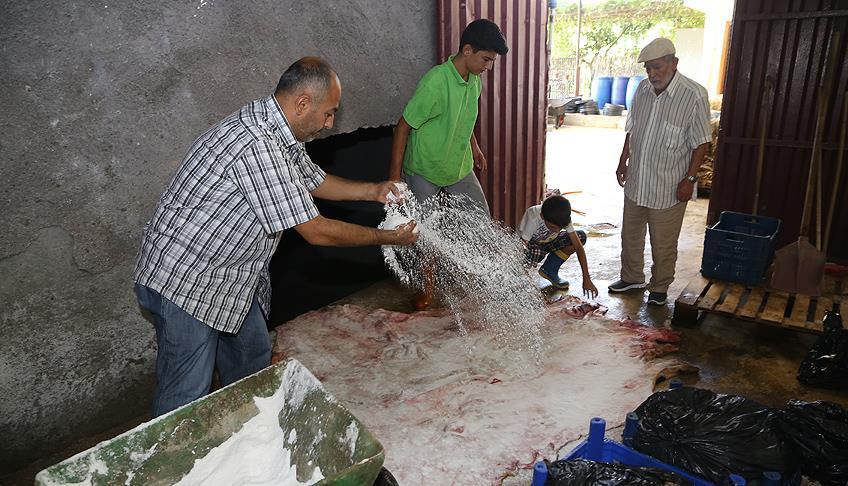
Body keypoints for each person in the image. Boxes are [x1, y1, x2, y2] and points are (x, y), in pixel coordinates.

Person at [133, 57, 418, 417]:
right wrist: (386, 237)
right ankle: (173, 466)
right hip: (186, 281)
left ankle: (250, 431)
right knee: (186, 392)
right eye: (329, 113)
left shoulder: (282, 132)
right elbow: (317, 231)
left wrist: (373, 190)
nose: (331, 123)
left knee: (251, 357)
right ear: (302, 104)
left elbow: (315, 181)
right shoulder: (258, 145)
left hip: (232, 277)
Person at [389, 18, 509, 310]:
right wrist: (393, 178)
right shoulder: (436, 82)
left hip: (458, 166)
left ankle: (478, 275)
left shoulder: (475, 81)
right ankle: (427, 287)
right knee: (425, 230)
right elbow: (403, 125)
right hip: (425, 168)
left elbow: (466, 119)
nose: (488, 67)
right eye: (486, 59)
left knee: (481, 220)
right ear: (467, 50)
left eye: (492, 61)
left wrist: (475, 148)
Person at [608, 38, 711, 306]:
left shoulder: (694, 94)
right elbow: (632, 128)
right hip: (638, 179)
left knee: (663, 242)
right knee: (630, 235)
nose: (652, 74)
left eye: (657, 68)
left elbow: (701, 141)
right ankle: (631, 277)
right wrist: (623, 160)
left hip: (669, 184)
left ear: (673, 63)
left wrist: (690, 179)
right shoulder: (642, 89)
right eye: (648, 69)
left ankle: (660, 286)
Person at [518, 195, 598, 298]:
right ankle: (518, 279)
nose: (556, 230)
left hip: (549, 242)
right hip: (531, 245)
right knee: (533, 253)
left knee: (580, 237)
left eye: (560, 228)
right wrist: (528, 282)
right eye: (552, 227)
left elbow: (578, 247)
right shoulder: (534, 216)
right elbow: (522, 246)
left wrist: (586, 278)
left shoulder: (562, 217)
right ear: (542, 216)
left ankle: (550, 269)